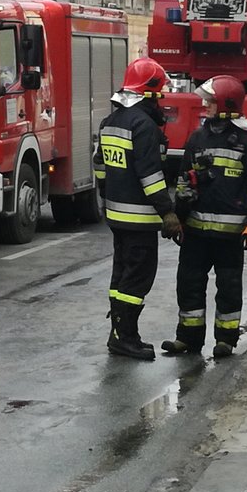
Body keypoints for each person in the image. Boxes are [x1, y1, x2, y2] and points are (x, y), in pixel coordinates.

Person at [161, 75, 247, 358]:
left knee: (229, 288)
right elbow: (185, 180)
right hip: (196, 231)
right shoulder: (198, 137)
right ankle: (188, 338)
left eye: (210, 100)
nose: (205, 105)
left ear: (226, 104)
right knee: (189, 285)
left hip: (231, 235)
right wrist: (179, 218)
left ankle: (225, 340)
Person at [93, 57, 182, 361]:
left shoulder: (110, 121)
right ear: (151, 93)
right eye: (161, 95)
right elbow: (151, 176)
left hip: (116, 216)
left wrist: (108, 194)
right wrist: (167, 213)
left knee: (121, 277)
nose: (163, 101)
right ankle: (125, 338)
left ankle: (119, 333)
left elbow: (99, 165)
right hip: (140, 219)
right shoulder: (144, 125)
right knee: (137, 279)